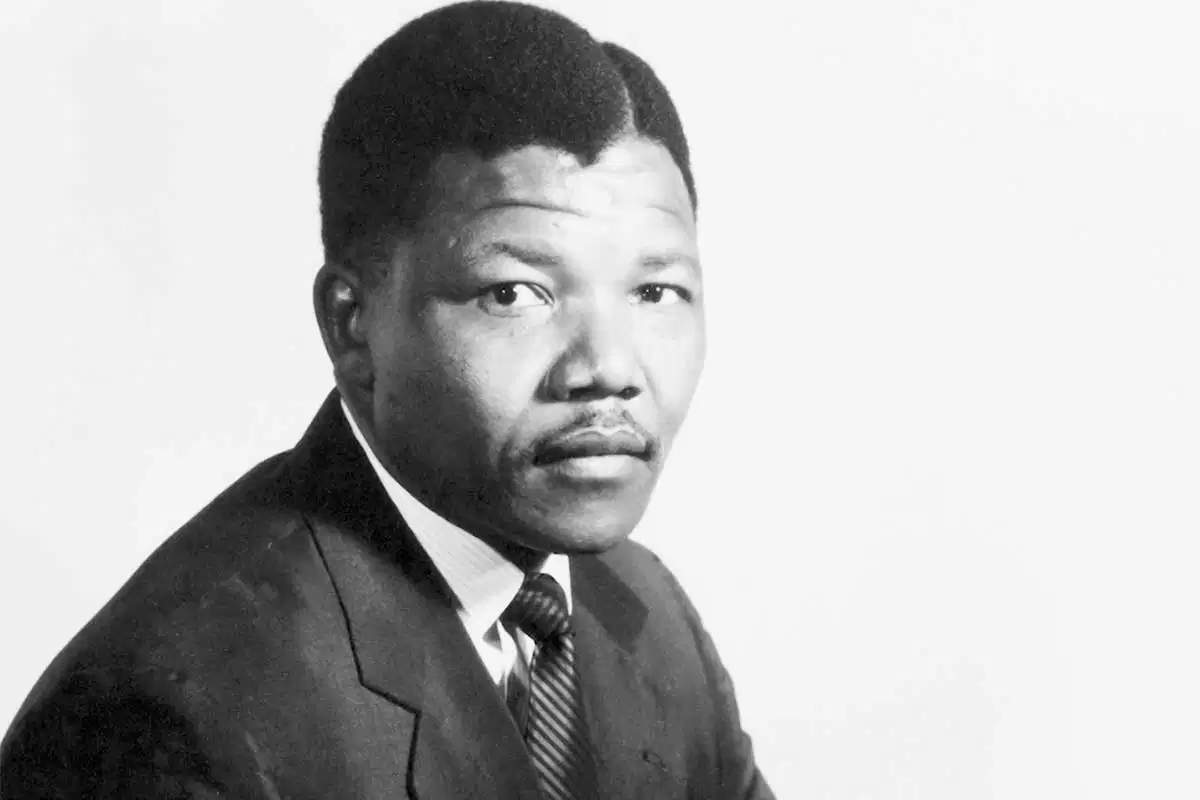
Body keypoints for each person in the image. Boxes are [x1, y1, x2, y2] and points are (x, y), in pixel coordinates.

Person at [0, 2, 774, 798]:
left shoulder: (644, 610)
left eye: (655, 291)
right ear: (353, 325)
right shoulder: (172, 721)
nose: (608, 367)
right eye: (514, 293)